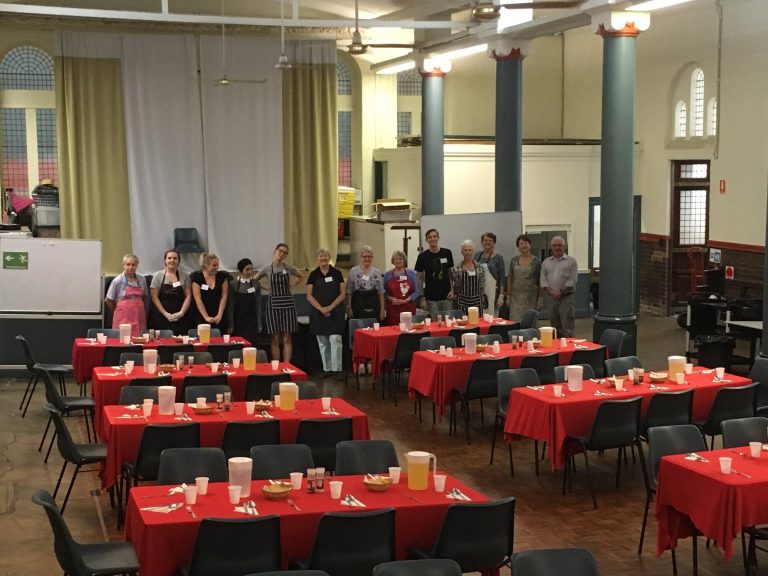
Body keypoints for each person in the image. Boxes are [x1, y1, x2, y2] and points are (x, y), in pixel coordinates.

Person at [254, 243, 303, 363]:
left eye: (285, 252)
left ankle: (287, 365)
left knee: (287, 336)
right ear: (275, 251)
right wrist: (266, 288)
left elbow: (300, 276)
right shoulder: (267, 268)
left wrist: (292, 285)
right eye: (280, 251)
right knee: (275, 336)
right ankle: (276, 366)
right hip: (273, 303)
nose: (282, 254)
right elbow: (255, 280)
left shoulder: (288, 267)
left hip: (288, 303)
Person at [306, 248, 346, 378]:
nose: (323, 258)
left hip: (336, 312)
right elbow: (309, 295)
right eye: (321, 256)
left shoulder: (337, 273)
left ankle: (337, 369)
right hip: (318, 313)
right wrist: (321, 309)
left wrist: (330, 307)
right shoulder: (313, 275)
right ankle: (327, 368)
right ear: (317, 259)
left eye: (325, 256)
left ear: (329, 258)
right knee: (323, 342)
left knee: (335, 339)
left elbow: (343, 293)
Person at [540, 235, 578, 337]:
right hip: (551, 299)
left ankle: (569, 350)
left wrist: (560, 292)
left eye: (560, 245)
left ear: (564, 246)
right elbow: (543, 281)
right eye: (555, 245)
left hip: (566, 298)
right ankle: (557, 350)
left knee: (567, 327)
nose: (557, 247)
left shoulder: (572, 262)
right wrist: (552, 292)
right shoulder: (546, 262)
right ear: (552, 247)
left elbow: (572, 280)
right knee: (554, 327)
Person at [149, 249, 191, 334]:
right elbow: (154, 297)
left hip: (180, 317)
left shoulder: (185, 276)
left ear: (179, 261)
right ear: (165, 260)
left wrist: (181, 313)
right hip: (161, 316)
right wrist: (165, 314)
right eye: (169, 258)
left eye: (175, 258)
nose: (172, 260)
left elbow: (188, 296)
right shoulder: (157, 276)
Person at [415, 228, 454, 321]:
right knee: (436, 325)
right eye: (430, 237)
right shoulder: (422, 256)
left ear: (438, 238)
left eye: (434, 236)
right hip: (431, 298)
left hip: (447, 297)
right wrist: (422, 298)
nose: (432, 239)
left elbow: (450, 273)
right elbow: (419, 278)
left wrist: (452, 290)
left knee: (448, 324)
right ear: (427, 240)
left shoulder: (447, 253)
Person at [105, 253, 149, 336]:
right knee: (122, 341)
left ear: (137, 266)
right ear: (123, 265)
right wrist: (118, 309)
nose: (130, 267)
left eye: (133, 265)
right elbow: (108, 300)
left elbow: (145, 297)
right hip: (122, 317)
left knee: (138, 340)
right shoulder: (117, 281)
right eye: (128, 264)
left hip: (138, 316)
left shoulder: (142, 279)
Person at [506, 233, 542, 322]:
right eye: (521, 244)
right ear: (518, 247)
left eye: (525, 243)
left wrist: (540, 297)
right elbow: (510, 277)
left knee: (529, 322)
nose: (523, 245)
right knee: (515, 322)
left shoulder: (536, 261)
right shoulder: (514, 260)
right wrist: (508, 296)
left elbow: (540, 281)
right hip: (515, 297)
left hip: (531, 297)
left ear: (530, 245)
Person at [190, 253, 229, 332]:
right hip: (202, 315)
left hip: (219, 314)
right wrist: (206, 317)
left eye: (217, 265)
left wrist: (219, 314)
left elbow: (224, 296)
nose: (216, 267)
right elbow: (198, 299)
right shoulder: (197, 278)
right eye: (214, 265)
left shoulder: (222, 277)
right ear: (206, 265)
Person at [345, 245, 385, 321]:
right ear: (360, 257)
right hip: (358, 304)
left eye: (369, 257)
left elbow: (381, 292)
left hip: (373, 304)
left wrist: (382, 309)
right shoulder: (353, 271)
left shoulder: (377, 272)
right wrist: (348, 307)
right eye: (365, 256)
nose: (367, 259)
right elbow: (348, 291)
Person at [227, 258, 261, 346]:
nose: (250, 272)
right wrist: (231, 324)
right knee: (239, 345)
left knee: (252, 344)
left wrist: (259, 323)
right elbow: (231, 305)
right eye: (247, 269)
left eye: (251, 269)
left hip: (252, 320)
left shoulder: (256, 284)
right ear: (241, 270)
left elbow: (258, 304)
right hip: (238, 320)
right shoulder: (233, 284)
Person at [382, 250, 420, 326]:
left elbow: (417, 291)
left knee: (408, 331)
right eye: (396, 259)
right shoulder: (387, 275)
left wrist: (406, 300)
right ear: (393, 261)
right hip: (393, 309)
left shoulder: (411, 273)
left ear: (404, 260)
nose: (398, 261)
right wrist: (391, 299)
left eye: (400, 259)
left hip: (408, 308)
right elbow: (383, 293)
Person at [451, 239, 486, 314]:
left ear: (473, 251)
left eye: (470, 250)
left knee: (477, 324)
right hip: (462, 303)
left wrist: (482, 299)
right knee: (463, 324)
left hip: (477, 303)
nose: (467, 252)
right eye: (465, 250)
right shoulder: (457, 269)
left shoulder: (480, 268)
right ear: (462, 252)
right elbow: (456, 286)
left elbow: (482, 285)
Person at [474, 232, 506, 315]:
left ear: (494, 243)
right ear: (482, 242)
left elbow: (502, 278)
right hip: (479, 291)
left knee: (492, 315)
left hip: (493, 291)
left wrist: (501, 295)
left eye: (490, 240)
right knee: (480, 315)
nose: (487, 242)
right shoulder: (477, 256)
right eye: (485, 240)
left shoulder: (498, 258)